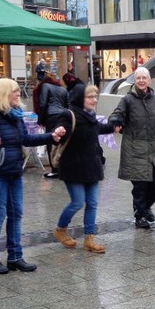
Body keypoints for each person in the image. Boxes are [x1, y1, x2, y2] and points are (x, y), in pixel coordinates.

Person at [0, 78, 64, 274]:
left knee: (16, 214)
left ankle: (15, 257)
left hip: (14, 172)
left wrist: (51, 136)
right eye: (14, 91)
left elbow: (26, 139)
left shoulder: (15, 115)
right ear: (3, 94)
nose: (18, 94)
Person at [52, 84, 121, 252]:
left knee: (92, 203)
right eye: (90, 97)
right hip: (73, 167)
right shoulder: (68, 115)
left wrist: (113, 127)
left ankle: (89, 239)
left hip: (91, 166)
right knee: (77, 202)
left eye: (95, 96)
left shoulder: (90, 116)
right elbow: (57, 134)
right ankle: (60, 229)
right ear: (79, 98)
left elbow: (97, 129)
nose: (94, 100)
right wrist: (59, 132)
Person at [108, 67, 155, 229]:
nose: (141, 80)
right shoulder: (128, 100)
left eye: (144, 78)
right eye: (138, 78)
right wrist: (116, 121)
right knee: (140, 186)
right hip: (134, 149)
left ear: (149, 81)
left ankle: (145, 208)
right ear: (135, 81)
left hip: (153, 149)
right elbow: (117, 113)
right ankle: (140, 215)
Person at [33, 71, 69, 178]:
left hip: (51, 116)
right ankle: (62, 167)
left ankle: (54, 168)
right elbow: (68, 104)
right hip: (62, 115)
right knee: (62, 141)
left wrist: (40, 120)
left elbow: (42, 103)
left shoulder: (45, 86)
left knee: (51, 140)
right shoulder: (63, 89)